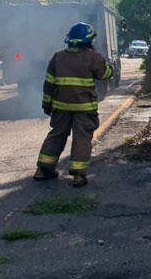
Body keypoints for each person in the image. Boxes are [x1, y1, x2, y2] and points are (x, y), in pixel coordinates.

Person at [34, 22, 114, 187]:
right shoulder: (93, 58)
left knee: (56, 135)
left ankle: (42, 170)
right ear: (89, 41)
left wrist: (47, 105)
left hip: (60, 107)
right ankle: (78, 175)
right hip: (84, 109)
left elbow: (49, 85)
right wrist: (106, 63)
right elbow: (105, 74)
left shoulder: (58, 57)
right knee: (82, 139)